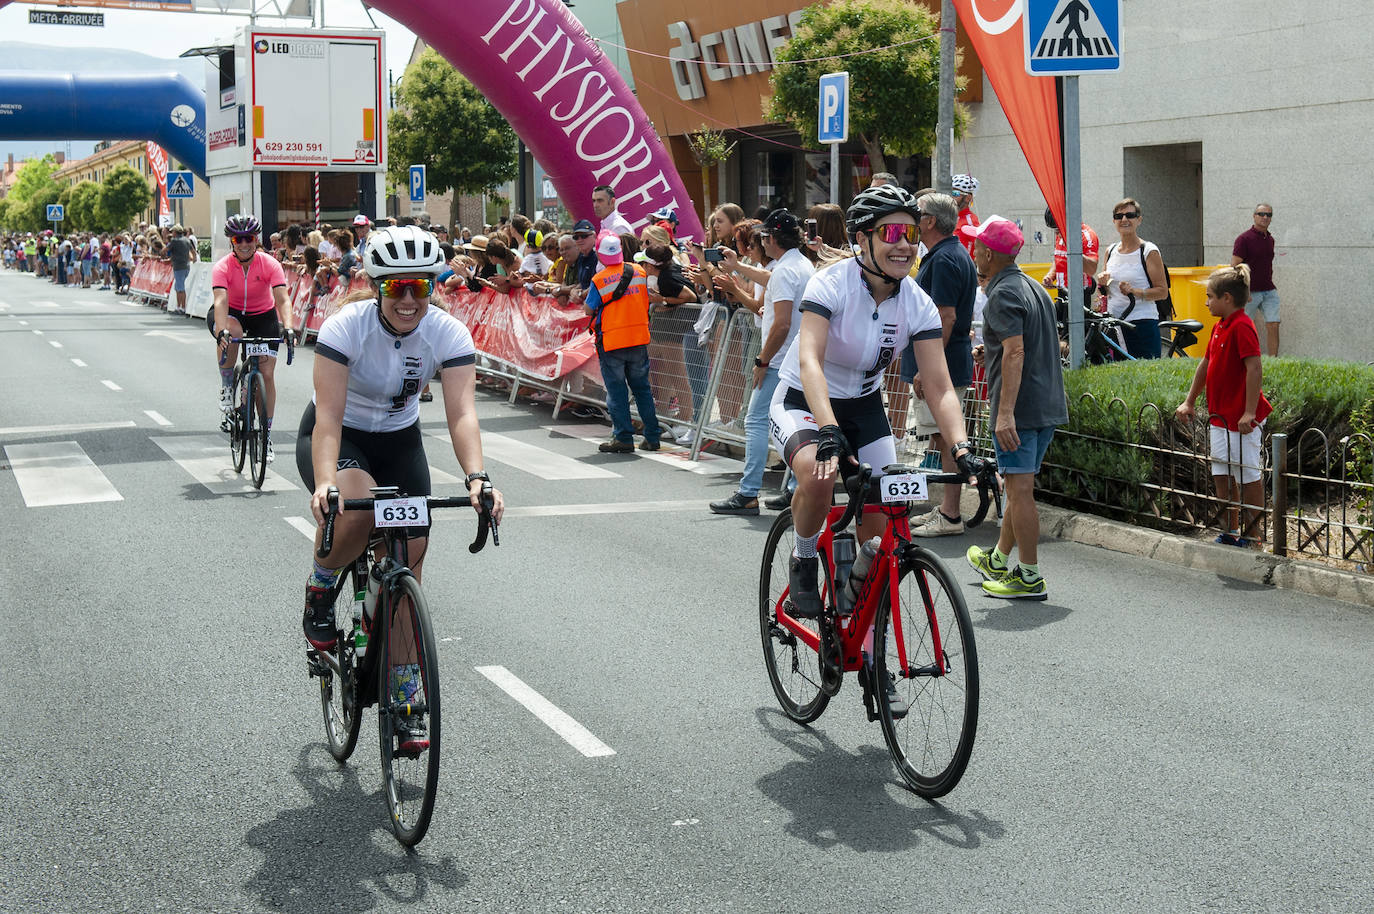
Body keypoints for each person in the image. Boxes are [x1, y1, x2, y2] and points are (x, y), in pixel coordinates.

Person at [298, 225, 505, 752]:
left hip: (399, 441)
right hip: (340, 436)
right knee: (358, 507)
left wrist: (478, 478)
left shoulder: (448, 333)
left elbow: (462, 414)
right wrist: (325, 484)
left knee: (408, 565)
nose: (410, 299)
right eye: (397, 288)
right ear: (376, 285)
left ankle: (406, 695)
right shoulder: (346, 327)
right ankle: (322, 586)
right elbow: (328, 419)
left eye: (421, 286)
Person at [771, 185, 979, 656]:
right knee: (820, 478)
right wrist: (827, 430)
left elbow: (941, 386)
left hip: (864, 409)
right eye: (890, 232)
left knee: (882, 526)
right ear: (862, 240)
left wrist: (964, 448)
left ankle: (864, 641)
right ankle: (804, 559)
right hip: (804, 399)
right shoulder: (830, 284)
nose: (904, 243)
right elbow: (810, 362)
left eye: (910, 233)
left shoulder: (916, 302)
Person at [962, 217, 1068, 600]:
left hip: (1020, 411)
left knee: (1020, 492)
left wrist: (1004, 413)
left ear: (988, 254)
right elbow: (1027, 345)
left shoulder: (1002, 294)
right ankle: (999, 559)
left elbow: (1016, 350)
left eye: (977, 246)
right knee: (1017, 485)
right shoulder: (1032, 287)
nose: (974, 250)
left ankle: (1029, 576)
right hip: (1045, 405)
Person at [711, 209, 813, 515]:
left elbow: (780, 324)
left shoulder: (785, 270)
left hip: (781, 362)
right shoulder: (802, 264)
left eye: (764, 238)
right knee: (800, 425)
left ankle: (748, 491)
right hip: (798, 360)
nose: (761, 242)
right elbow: (771, 279)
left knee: (755, 421)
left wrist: (762, 360)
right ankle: (796, 488)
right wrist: (738, 265)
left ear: (771, 239)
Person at [898, 192, 980, 537]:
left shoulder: (946, 259)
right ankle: (946, 509)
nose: (912, 220)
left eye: (917, 214)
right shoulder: (946, 254)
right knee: (941, 437)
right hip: (945, 360)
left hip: (944, 362)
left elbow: (945, 316)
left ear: (930, 221)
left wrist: (925, 367)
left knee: (948, 438)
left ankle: (950, 514)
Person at [1175, 264, 1272, 547]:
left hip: (1241, 418)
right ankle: (1230, 530)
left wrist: (1250, 412)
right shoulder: (1220, 326)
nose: (1206, 302)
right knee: (1221, 472)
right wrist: (1189, 400)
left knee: (1248, 474)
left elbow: (1254, 368)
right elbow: (1206, 365)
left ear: (1226, 298)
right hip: (1220, 417)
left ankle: (1253, 535)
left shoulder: (1242, 326)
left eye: (1209, 297)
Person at [209, 214, 295, 461]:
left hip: (262, 317)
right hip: (232, 313)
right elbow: (220, 300)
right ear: (232, 242)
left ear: (256, 239)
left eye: (249, 238)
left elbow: (282, 298)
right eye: (239, 239)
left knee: (266, 374)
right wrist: (222, 329)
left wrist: (288, 327)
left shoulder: (269, 264)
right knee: (232, 331)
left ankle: (266, 436)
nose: (245, 243)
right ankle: (227, 387)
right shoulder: (223, 267)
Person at [582, 233, 660, 454]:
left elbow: (589, 309)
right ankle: (652, 437)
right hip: (638, 339)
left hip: (612, 341)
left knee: (617, 392)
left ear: (599, 252)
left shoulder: (599, 280)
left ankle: (623, 438)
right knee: (643, 390)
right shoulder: (639, 271)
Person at [1095, 197, 1168, 359]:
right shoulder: (1111, 250)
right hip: (1115, 324)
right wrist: (1103, 282)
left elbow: (1163, 292)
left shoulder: (1148, 251)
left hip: (1142, 324)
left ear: (1139, 220)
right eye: (1119, 216)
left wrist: (1134, 291)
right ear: (1114, 221)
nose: (1124, 219)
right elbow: (1106, 290)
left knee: (1145, 378)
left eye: (1130, 215)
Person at [1231, 203, 1279, 356]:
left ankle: (1274, 361)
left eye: (1268, 215)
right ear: (1254, 216)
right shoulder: (1243, 239)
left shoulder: (1270, 239)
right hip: (1250, 292)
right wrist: (1244, 290)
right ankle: (1242, 359)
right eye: (1261, 214)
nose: (1265, 217)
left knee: (1274, 324)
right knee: (1244, 327)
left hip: (1269, 290)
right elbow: (1235, 266)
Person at [1042, 206, 1099, 319]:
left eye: (1058, 229)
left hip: (1079, 295)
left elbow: (1092, 268)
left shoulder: (1086, 236)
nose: (1056, 234)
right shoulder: (1061, 234)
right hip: (1062, 292)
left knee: (1074, 335)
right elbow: (1059, 257)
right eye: (1055, 230)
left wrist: (1074, 251)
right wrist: (1050, 275)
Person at [166, 225, 195, 313]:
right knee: (179, 287)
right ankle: (180, 306)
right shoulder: (187, 240)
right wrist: (194, 259)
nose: (172, 233)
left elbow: (166, 249)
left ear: (175, 232)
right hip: (186, 265)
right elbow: (193, 251)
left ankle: (181, 307)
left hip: (178, 266)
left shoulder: (174, 241)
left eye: (173, 232)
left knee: (180, 288)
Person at [952, 174, 980, 259]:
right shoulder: (949, 217)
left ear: (968, 197)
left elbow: (983, 248)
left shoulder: (971, 221)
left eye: (955, 193)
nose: (951, 196)